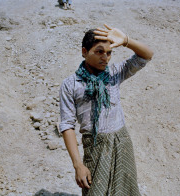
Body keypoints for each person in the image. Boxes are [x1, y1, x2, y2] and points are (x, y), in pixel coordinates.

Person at [59, 24, 153, 196]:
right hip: (95, 147)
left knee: (126, 191)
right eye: (99, 51)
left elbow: (146, 55)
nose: (106, 57)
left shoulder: (114, 73)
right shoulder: (70, 84)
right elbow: (67, 125)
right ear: (84, 51)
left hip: (121, 143)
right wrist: (78, 165)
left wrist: (126, 41)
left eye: (109, 53)